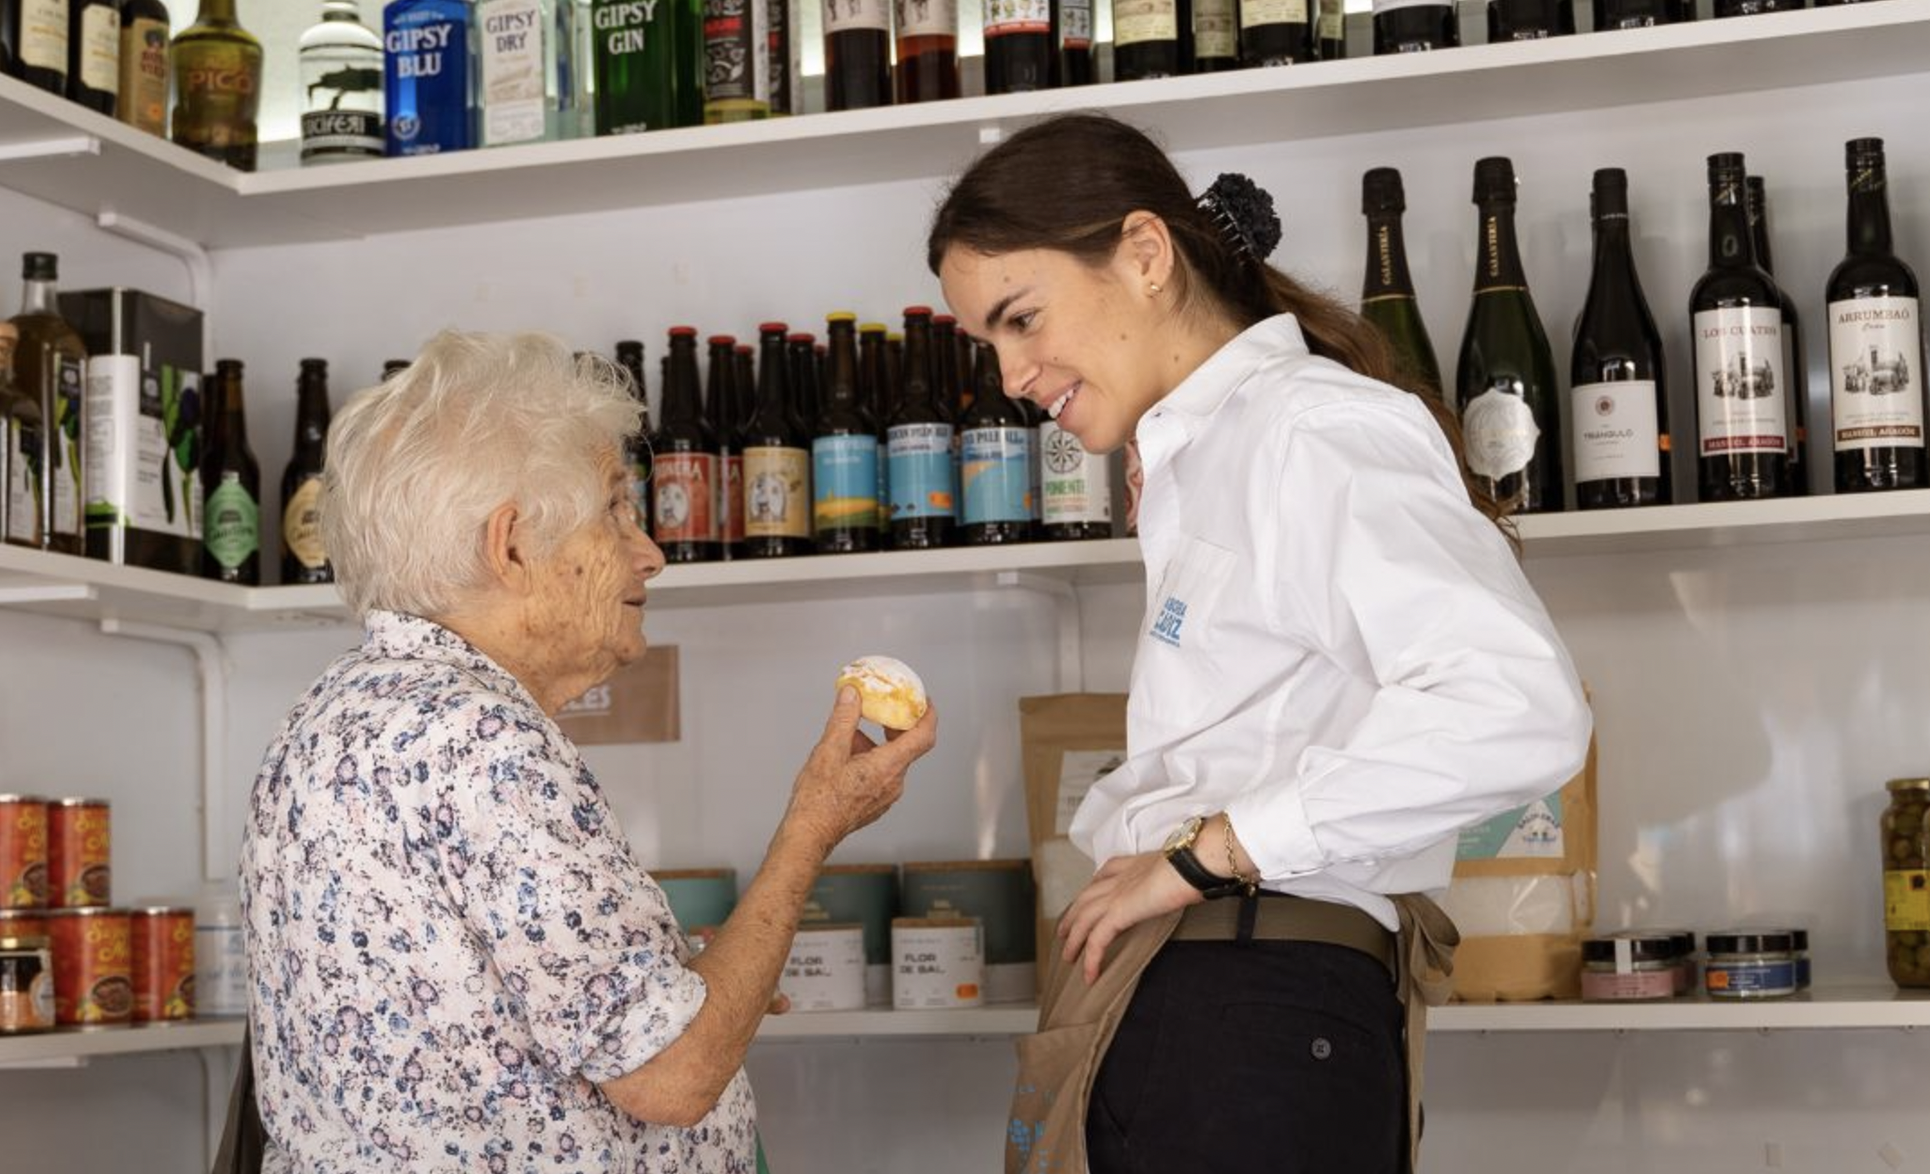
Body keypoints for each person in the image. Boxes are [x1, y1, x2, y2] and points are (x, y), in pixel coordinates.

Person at [930, 114, 1591, 1173]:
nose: (1009, 374)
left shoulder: (1305, 430)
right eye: (987, 342)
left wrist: (1208, 852)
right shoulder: (1216, 451)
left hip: (1245, 1005)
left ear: (1145, 255)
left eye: (1021, 318)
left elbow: (1516, 709)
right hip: (1217, 1002)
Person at [239, 330, 937, 1173]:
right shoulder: (482, 741)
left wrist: (701, 985)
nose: (651, 552)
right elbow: (675, 1077)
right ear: (512, 547)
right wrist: (812, 828)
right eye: (615, 508)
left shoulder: (328, 712)